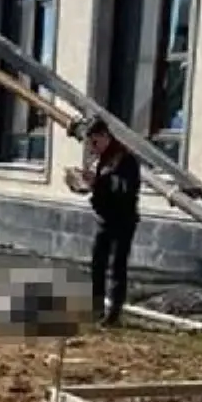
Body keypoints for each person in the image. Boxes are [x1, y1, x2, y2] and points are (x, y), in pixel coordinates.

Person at [66, 120, 141, 326]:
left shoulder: (125, 160)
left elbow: (124, 190)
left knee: (117, 266)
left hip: (122, 221)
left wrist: (98, 183)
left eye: (95, 142)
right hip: (104, 220)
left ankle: (114, 314)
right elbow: (101, 190)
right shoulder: (103, 160)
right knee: (97, 264)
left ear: (106, 136)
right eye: (90, 143)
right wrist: (83, 185)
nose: (92, 148)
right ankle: (95, 308)